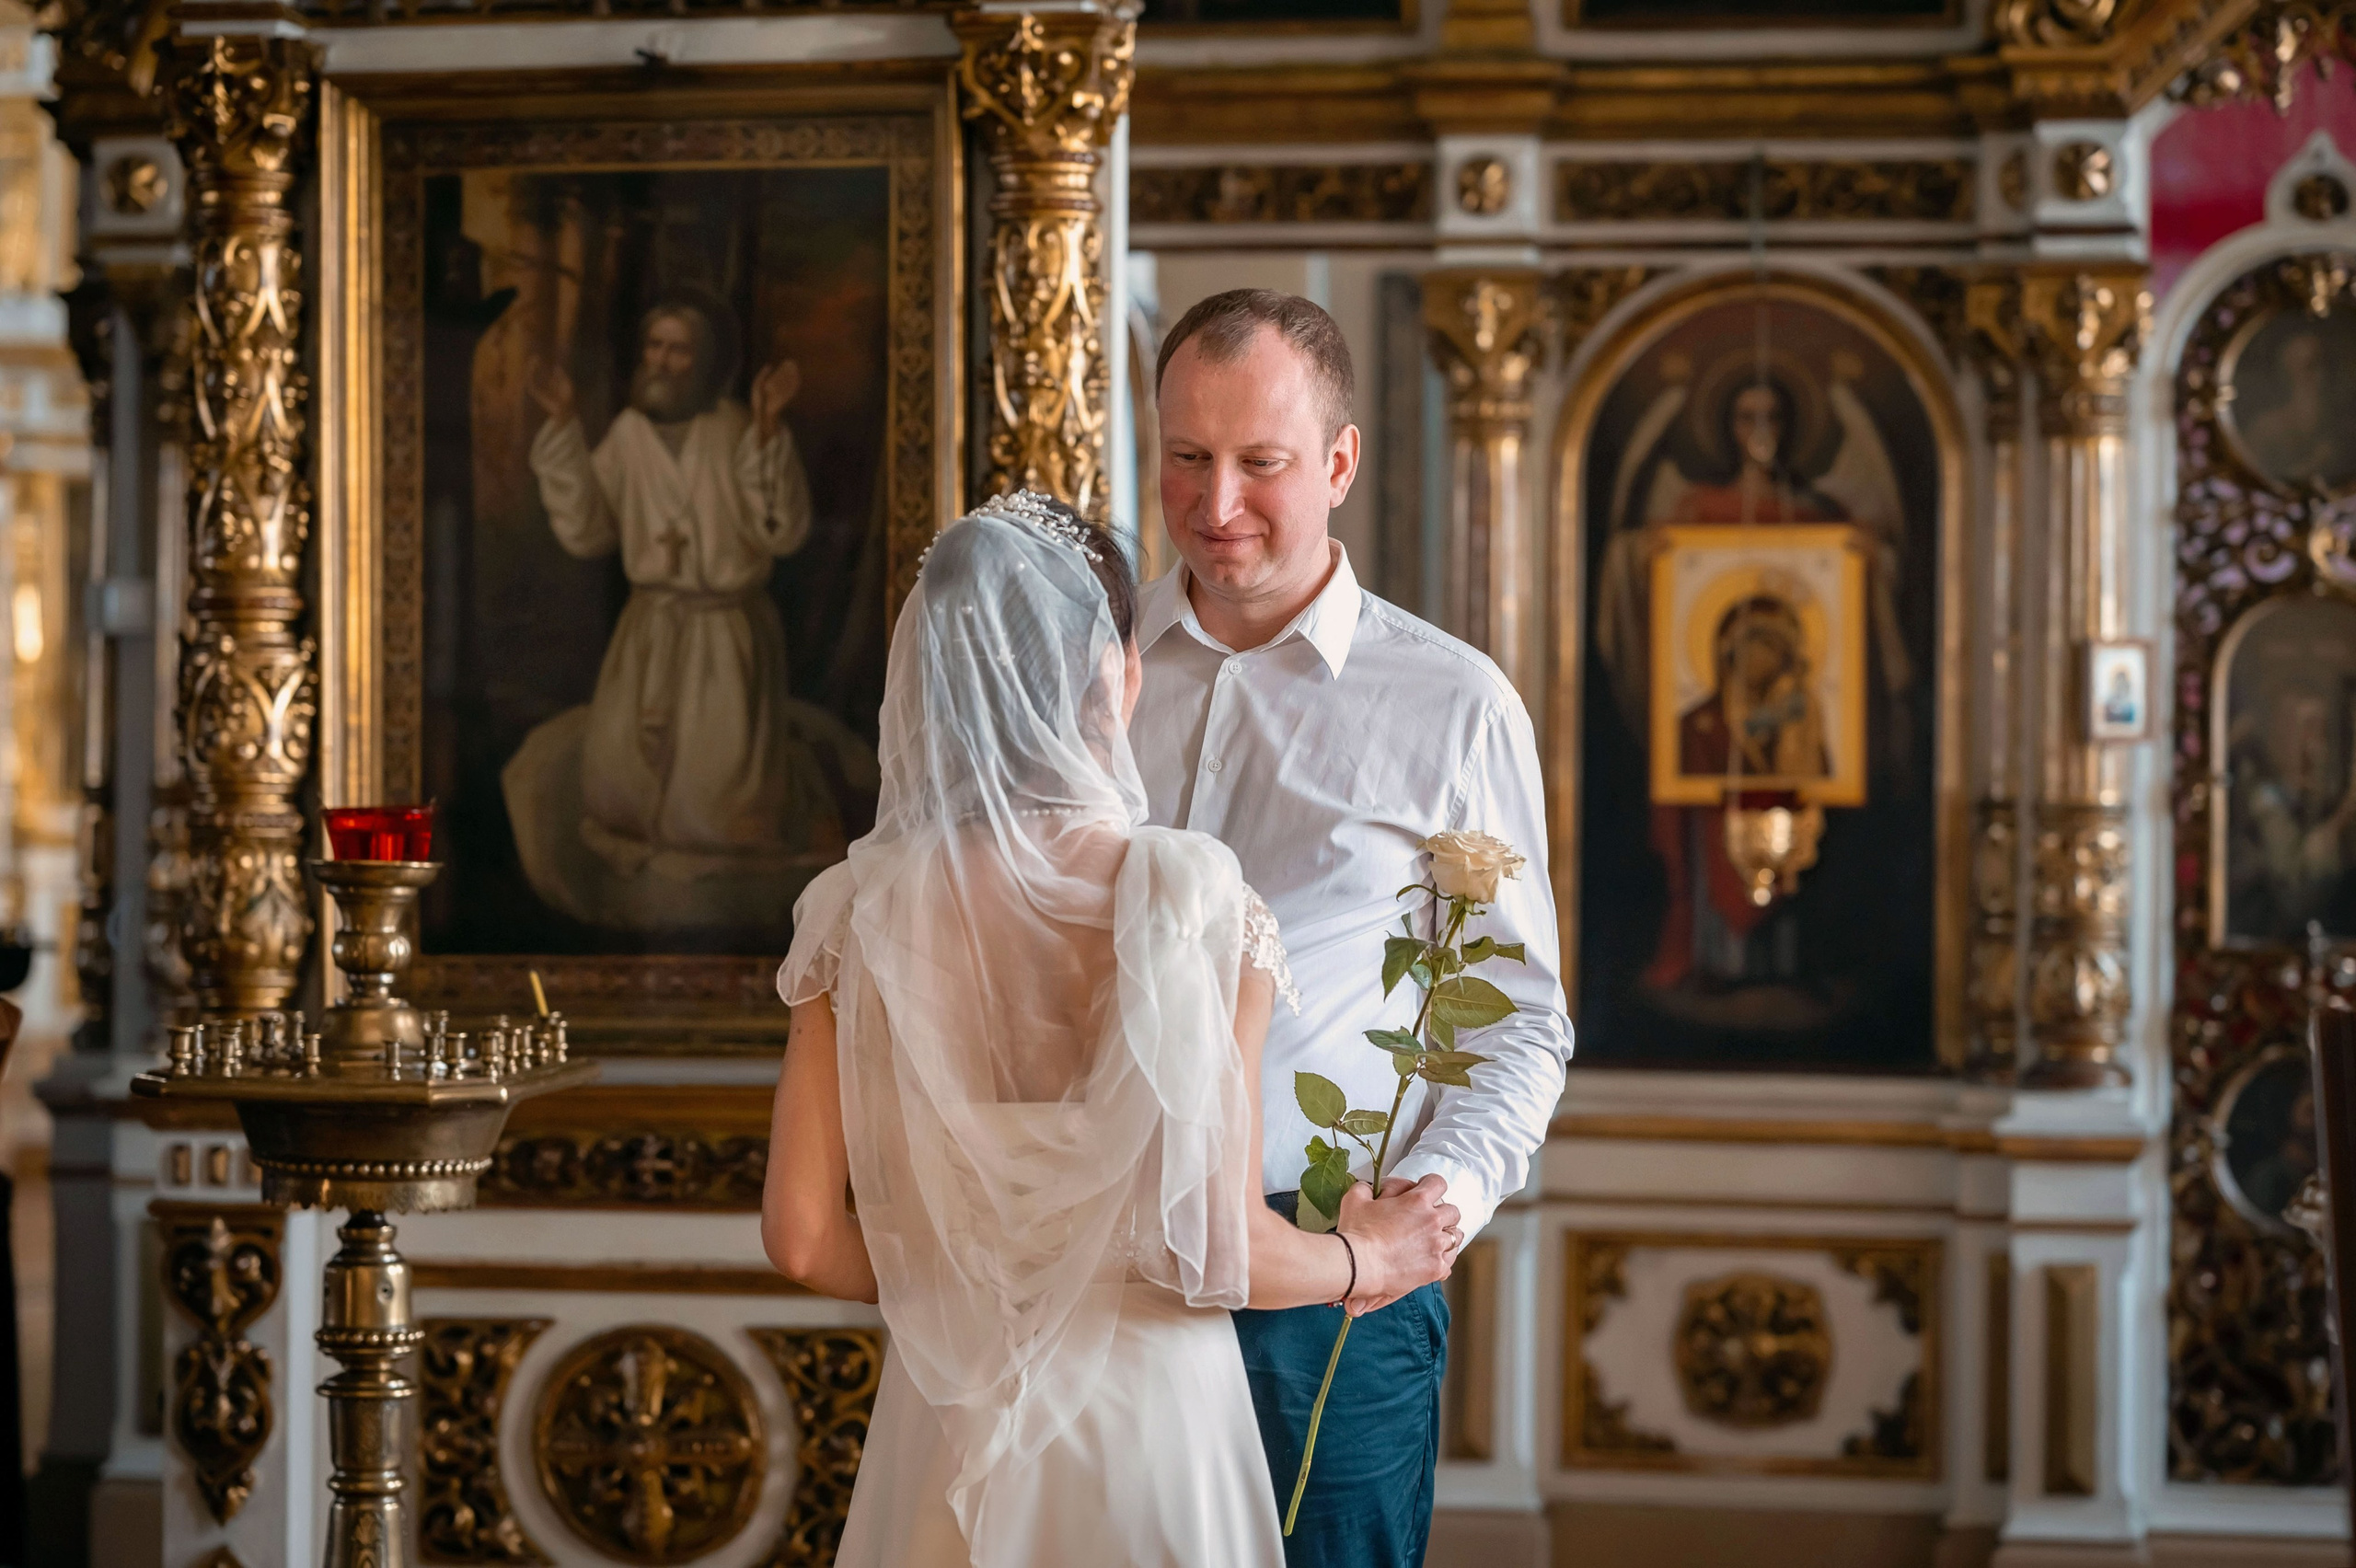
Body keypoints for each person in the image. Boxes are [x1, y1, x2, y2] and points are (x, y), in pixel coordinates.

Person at [761, 492, 1461, 1566]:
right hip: (1152, 1426)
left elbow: (803, 1239)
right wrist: (1366, 1256)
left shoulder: (851, 913)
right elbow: (1212, 1251)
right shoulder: (1190, 898)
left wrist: (968, 1280)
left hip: (946, 1417)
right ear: (1111, 673)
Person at [1138, 290, 1571, 1568]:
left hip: (1332, 1282)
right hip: (1098, 1266)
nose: (1217, 506)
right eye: (1186, 457)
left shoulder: (1452, 707)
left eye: (1260, 464)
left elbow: (1524, 1015)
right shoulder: (1083, 678)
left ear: (1338, 462)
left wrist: (1425, 1215)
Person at [522, 298, 834, 891]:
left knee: (716, 809)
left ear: (705, 361)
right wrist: (562, 421)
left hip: (723, 632)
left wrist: (769, 428)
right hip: (649, 629)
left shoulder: (736, 429)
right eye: (654, 346)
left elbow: (783, 530)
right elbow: (588, 529)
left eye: (678, 348)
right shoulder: (629, 434)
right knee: (618, 791)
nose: (661, 362)